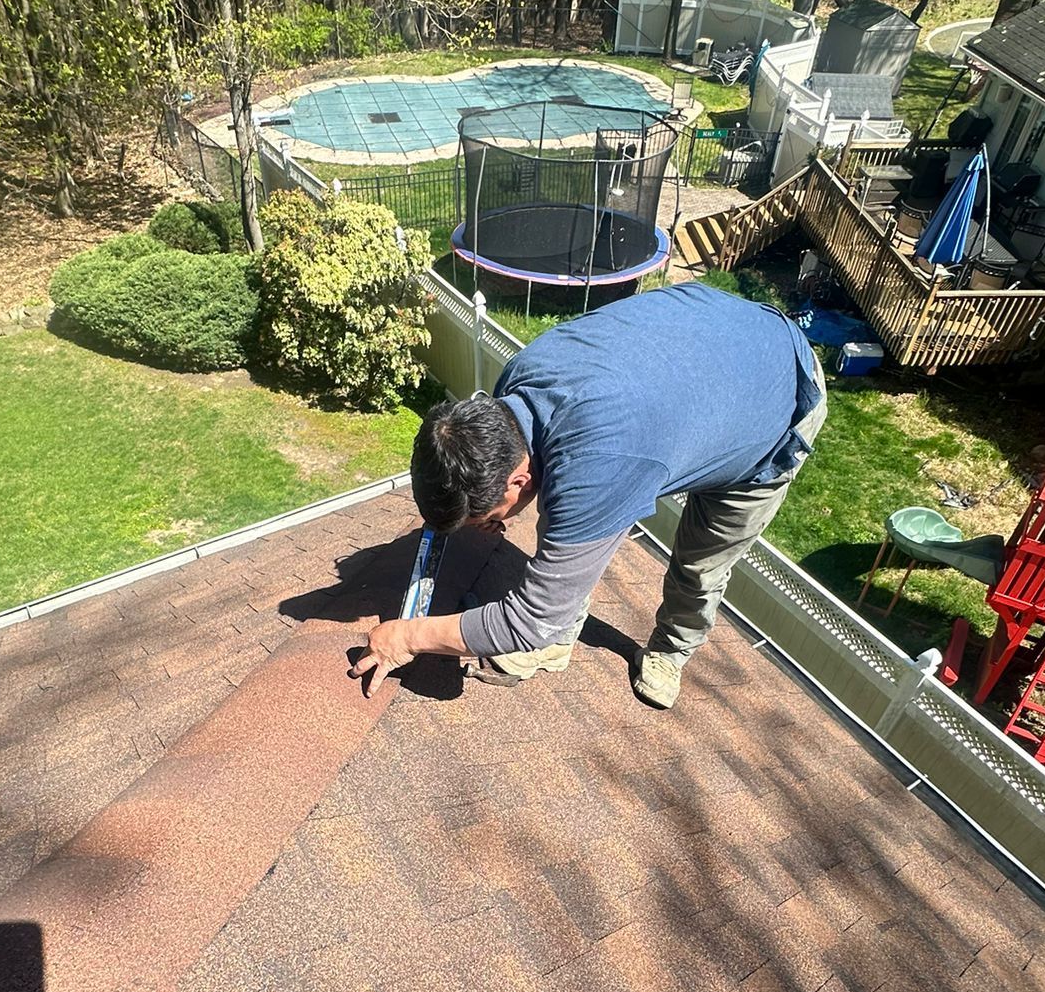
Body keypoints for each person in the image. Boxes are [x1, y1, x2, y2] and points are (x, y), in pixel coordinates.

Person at [354, 282, 826, 709]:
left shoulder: (599, 461)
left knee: (701, 563)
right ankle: (564, 633)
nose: (486, 528)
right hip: (702, 350)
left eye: (483, 517)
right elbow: (559, 481)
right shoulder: (512, 392)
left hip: (774, 397)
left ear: (516, 480)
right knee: (574, 513)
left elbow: (530, 620)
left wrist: (408, 636)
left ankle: (670, 650)